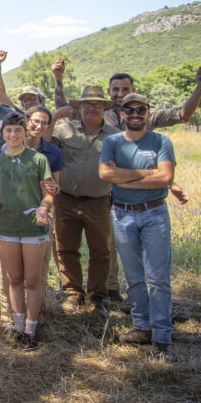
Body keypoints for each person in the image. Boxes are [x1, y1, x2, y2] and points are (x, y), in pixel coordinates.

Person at [99, 92, 180, 356]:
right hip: (122, 215)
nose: (135, 115)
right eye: (129, 110)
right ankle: (142, 326)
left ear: (147, 112)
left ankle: (162, 334)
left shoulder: (161, 141)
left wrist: (123, 180)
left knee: (158, 278)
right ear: (121, 114)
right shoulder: (112, 142)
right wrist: (148, 173)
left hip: (154, 213)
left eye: (141, 110)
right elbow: (104, 173)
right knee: (134, 277)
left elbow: (165, 176)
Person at [0, 113, 55, 349]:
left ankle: (31, 329)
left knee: (32, 281)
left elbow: (49, 193)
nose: (13, 135)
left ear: (25, 133)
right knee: (14, 279)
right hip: (7, 227)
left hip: (34, 228)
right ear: (3, 133)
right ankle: (18, 327)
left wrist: (43, 208)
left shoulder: (39, 159)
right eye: (8, 130)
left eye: (18, 130)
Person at [50, 86, 120, 314]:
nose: (91, 107)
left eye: (97, 103)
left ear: (104, 107)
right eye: (86, 104)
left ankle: (97, 297)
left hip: (98, 201)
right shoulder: (64, 130)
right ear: (79, 107)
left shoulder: (114, 135)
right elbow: (45, 148)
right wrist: (53, 118)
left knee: (101, 251)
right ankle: (72, 293)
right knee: (66, 249)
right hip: (66, 199)